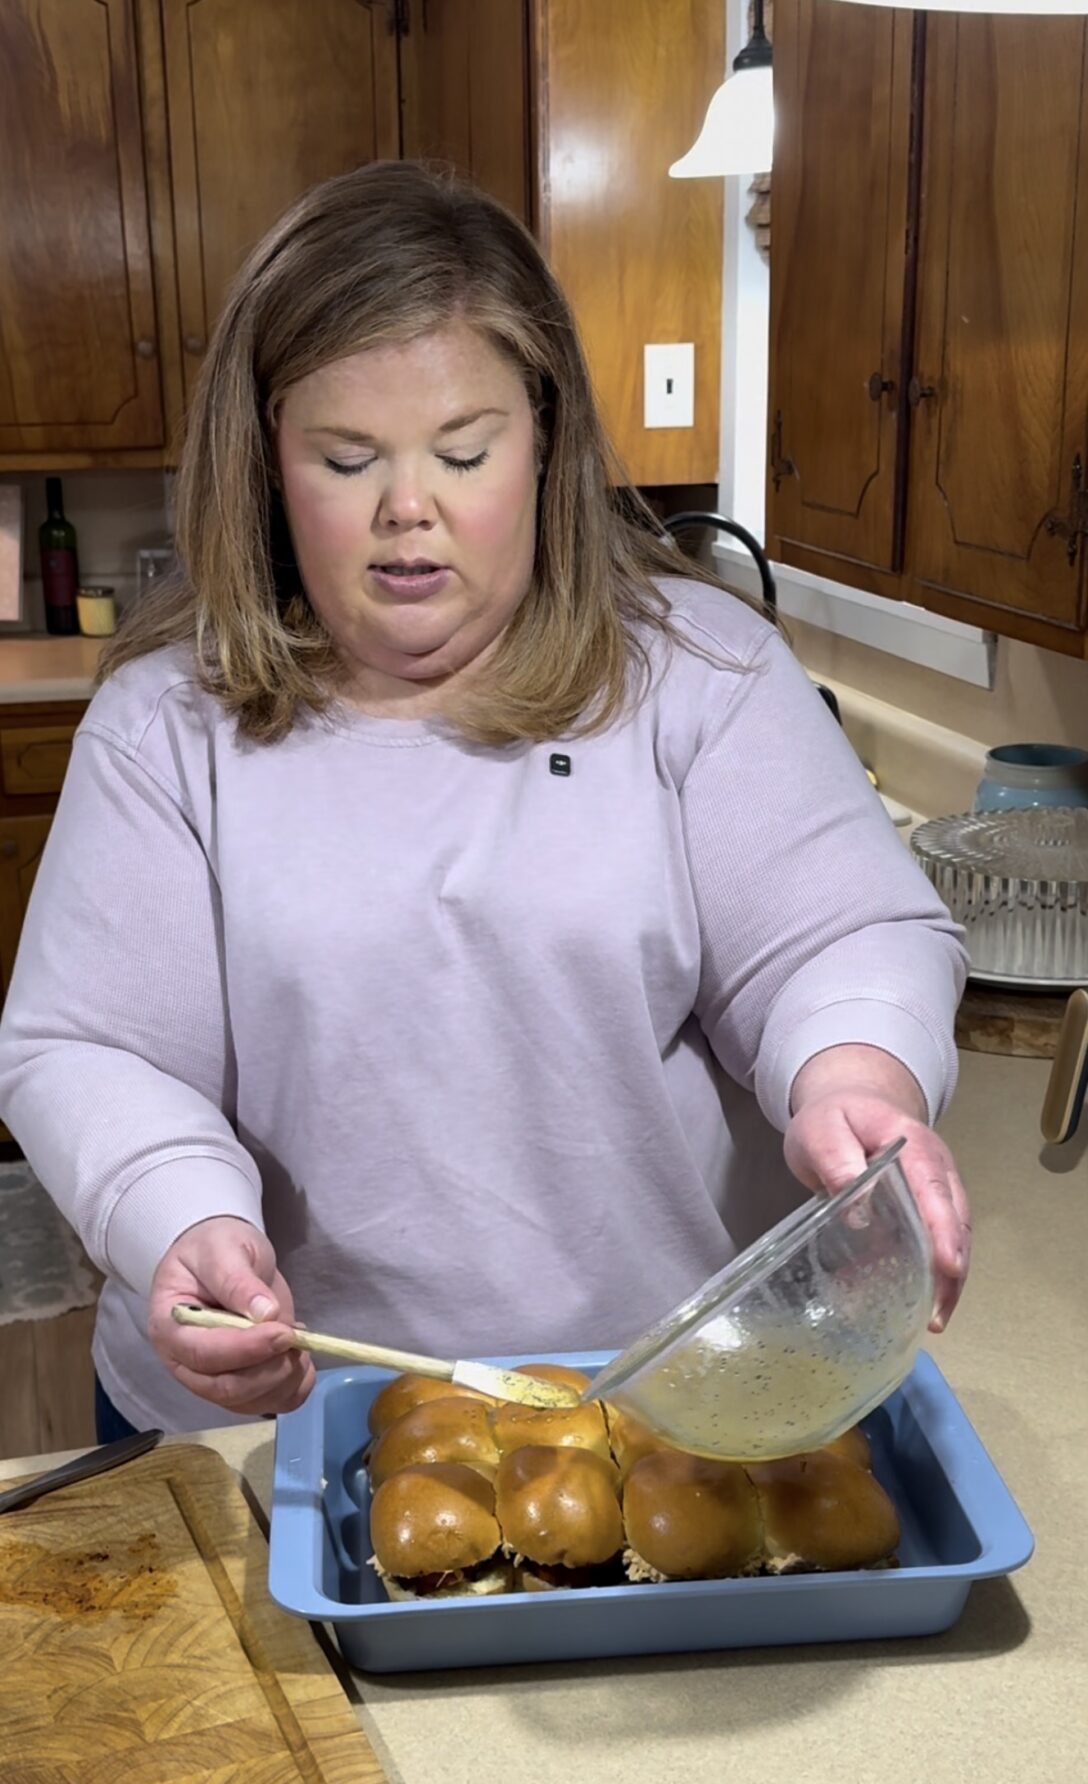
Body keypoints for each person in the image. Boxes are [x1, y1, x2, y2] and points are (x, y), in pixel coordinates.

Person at [0, 163, 971, 1440]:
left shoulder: (700, 672)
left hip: (664, 1404)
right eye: (347, 460)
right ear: (266, 460)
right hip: (280, 1422)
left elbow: (840, 938)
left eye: (464, 450)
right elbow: (91, 1046)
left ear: (545, 435)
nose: (411, 511)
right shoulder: (166, 725)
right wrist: (184, 1220)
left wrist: (855, 1073)